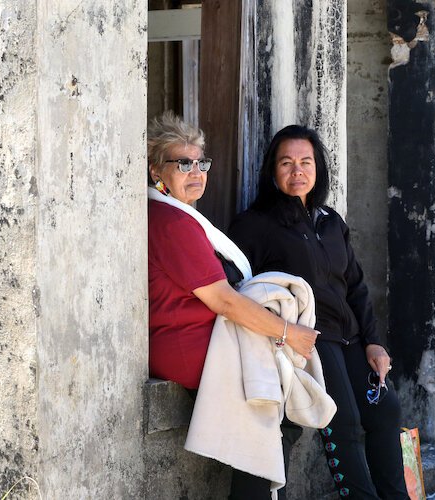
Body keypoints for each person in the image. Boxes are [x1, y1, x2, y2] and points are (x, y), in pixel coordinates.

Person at [229, 125, 408, 499]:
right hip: (308, 340)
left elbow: (355, 286)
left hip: (350, 338)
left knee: (386, 410)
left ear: (318, 168)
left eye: (306, 162)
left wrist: (374, 343)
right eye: (287, 162)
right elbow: (238, 288)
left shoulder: (331, 222)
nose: (297, 170)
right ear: (272, 170)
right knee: (344, 421)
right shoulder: (255, 225)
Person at [147, 112, 319, 499]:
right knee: (266, 426)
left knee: (279, 418)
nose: (196, 172)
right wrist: (289, 333)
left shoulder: (178, 216)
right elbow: (224, 300)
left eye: (200, 162)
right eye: (182, 163)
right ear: (158, 170)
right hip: (193, 348)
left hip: (207, 342)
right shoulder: (172, 223)